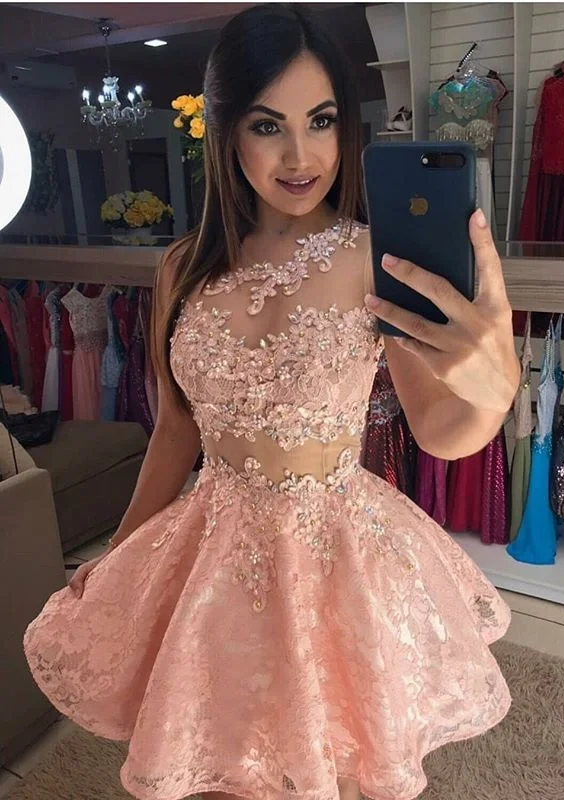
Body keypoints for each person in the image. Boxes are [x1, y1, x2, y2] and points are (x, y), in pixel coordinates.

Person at [23, 6, 521, 800]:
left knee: (331, 758)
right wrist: (117, 557)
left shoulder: (375, 256)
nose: (300, 156)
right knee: (219, 756)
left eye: (321, 121)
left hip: (334, 552)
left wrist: (496, 391)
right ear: (227, 132)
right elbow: (175, 432)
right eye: (268, 125)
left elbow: (440, 430)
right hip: (214, 546)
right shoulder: (181, 267)